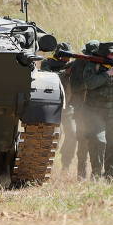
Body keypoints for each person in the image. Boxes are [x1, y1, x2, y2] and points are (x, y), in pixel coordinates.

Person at [82, 41, 113, 180]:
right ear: (104, 55)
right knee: (98, 141)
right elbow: (89, 83)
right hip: (95, 112)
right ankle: (96, 175)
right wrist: (107, 74)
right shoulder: (93, 66)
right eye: (112, 54)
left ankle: (110, 177)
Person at [41, 42, 79, 171]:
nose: (67, 59)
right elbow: (47, 78)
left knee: (73, 134)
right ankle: (43, 164)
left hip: (68, 107)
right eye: (65, 56)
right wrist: (65, 72)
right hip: (52, 106)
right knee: (54, 136)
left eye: (69, 57)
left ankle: (66, 164)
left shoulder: (71, 66)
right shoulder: (48, 63)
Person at [70, 40, 99, 179]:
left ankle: (97, 174)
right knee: (83, 142)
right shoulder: (78, 63)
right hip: (81, 109)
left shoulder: (102, 64)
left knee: (99, 141)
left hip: (99, 110)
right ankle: (81, 174)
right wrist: (90, 83)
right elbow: (75, 86)